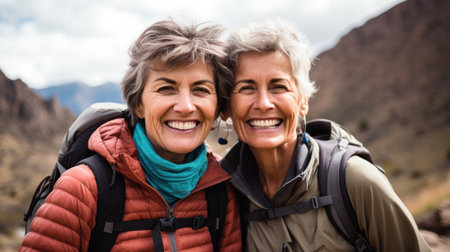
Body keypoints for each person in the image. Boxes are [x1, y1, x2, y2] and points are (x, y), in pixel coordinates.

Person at [20, 19, 241, 252]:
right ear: (138, 105)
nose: (186, 106)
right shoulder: (83, 188)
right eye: (166, 88)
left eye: (201, 90)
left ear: (218, 107)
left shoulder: (221, 190)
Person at [219, 19, 430, 252]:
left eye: (278, 86)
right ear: (227, 106)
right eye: (246, 88)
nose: (263, 103)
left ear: (303, 102)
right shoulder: (225, 194)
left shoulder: (354, 180)